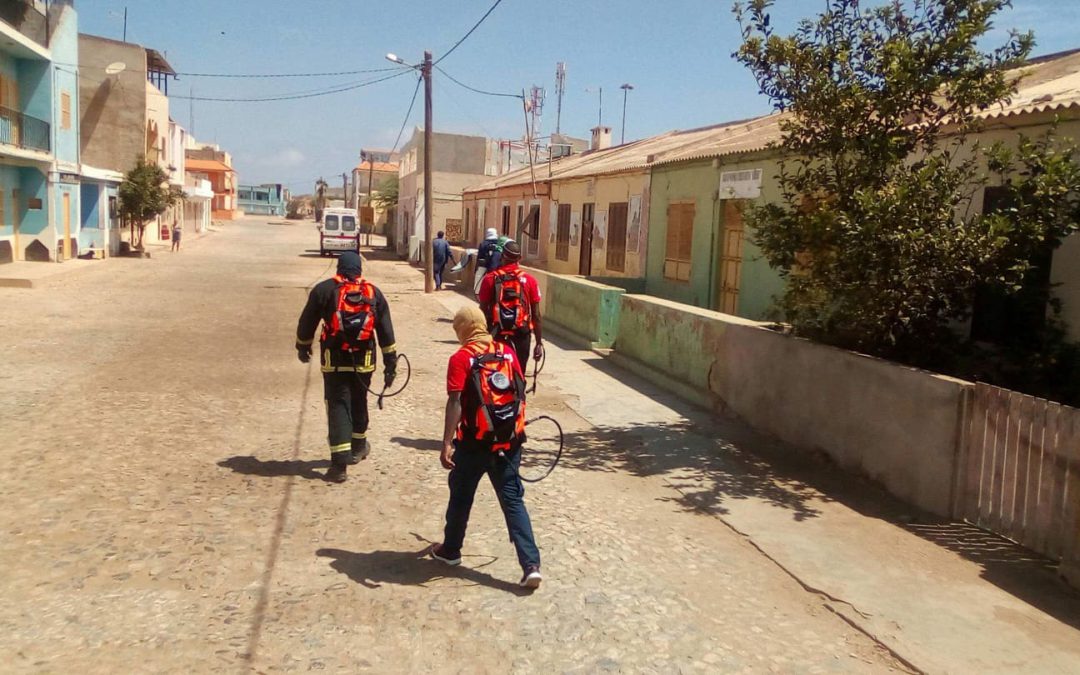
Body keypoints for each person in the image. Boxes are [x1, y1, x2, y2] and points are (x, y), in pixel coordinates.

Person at [429, 306, 542, 589]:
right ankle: (531, 565)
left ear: (462, 330)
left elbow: (455, 401)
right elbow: (518, 389)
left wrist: (445, 443)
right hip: (509, 442)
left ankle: (451, 551)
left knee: (461, 495)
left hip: (473, 444)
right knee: (513, 501)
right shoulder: (506, 352)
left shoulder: (461, 358)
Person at [295, 251, 397, 483]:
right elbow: (386, 332)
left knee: (339, 405)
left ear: (339, 268)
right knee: (359, 399)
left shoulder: (324, 290)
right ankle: (358, 446)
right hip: (364, 361)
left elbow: (306, 322)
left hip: (335, 361)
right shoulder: (374, 294)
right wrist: (390, 364)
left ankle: (339, 464)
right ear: (359, 269)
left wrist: (303, 347)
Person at [478, 240, 544, 372]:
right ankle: (519, 392)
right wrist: (538, 343)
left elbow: (482, 311)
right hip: (521, 334)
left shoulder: (490, 279)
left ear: (502, 256)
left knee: (496, 373)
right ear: (519, 258)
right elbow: (536, 315)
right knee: (519, 372)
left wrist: (480, 338)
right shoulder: (530, 280)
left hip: (496, 333)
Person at [474, 228, 501, 296]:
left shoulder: (483, 244)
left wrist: (476, 268)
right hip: (498, 268)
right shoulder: (499, 243)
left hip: (485, 267)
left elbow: (480, 256)